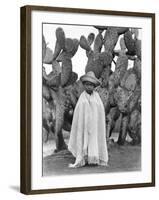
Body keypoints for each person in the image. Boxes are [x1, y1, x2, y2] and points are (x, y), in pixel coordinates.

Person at [68, 71, 108, 168]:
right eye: (87, 84)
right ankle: (83, 157)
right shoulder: (82, 97)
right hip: (84, 124)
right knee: (83, 138)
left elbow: (100, 111)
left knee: (93, 139)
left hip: (94, 124)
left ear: (94, 86)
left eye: (91, 85)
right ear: (84, 85)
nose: (89, 87)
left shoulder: (97, 97)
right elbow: (79, 112)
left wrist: (95, 120)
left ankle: (93, 158)